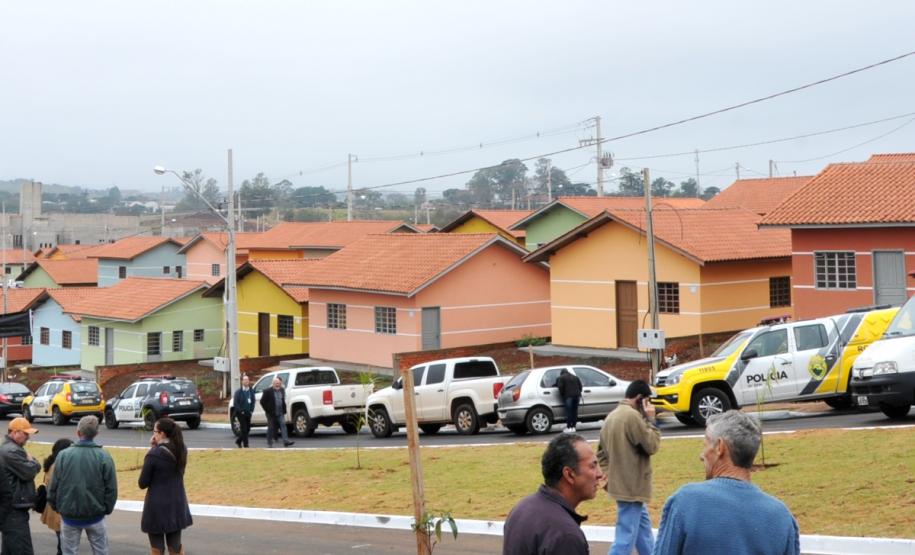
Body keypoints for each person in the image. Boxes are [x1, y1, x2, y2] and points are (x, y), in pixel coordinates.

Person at [654, 410, 800, 555]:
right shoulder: (782, 517)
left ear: (719, 447)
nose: (702, 455)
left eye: (705, 444)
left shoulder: (685, 502)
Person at [503, 433, 604, 555]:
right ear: (569, 474)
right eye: (592, 466)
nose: (600, 474)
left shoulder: (521, 508)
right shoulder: (565, 535)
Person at [596, 380, 660, 555]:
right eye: (647, 401)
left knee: (644, 534)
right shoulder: (632, 417)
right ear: (640, 398)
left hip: (623, 486)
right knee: (625, 538)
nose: (649, 405)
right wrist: (651, 419)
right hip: (632, 488)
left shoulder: (612, 416)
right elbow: (652, 445)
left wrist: (609, 478)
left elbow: (600, 454)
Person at [48, 415, 118, 555]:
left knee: (69, 552)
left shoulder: (63, 455)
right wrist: (106, 508)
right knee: (101, 551)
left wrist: (57, 506)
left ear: (78, 432)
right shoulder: (104, 456)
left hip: (69, 515)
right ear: (96, 433)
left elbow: (53, 486)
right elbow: (111, 488)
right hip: (96, 514)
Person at [139, 417, 193, 555]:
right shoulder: (182, 449)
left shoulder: (154, 455)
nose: (153, 435)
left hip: (157, 506)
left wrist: (151, 450)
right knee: (175, 546)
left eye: (155, 431)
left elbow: (142, 483)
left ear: (162, 434)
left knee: (157, 548)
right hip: (177, 503)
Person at [0, 416, 42, 554]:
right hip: (14, 510)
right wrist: (34, 462)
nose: (28, 437)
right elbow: (29, 472)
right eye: (25, 433)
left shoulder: (12, 449)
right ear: (14, 432)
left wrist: (31, 461)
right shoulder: (11, 451)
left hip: (12, 508)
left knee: (10, 549)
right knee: (22, 550)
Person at [41, 438, 74, 555]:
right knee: (64, 543)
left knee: (62, 538)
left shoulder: (52, 463)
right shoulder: (58, 465)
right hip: (59, 507)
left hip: (53, 506)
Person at [259, 376, 294, 447]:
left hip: (280, 412)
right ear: (273, 383)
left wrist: (284, 409)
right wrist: (267, 410)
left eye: (278, 383)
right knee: (271, 427)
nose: (277, 384)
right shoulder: (267, 391)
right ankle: (269, 442)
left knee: (283, 425)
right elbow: (262, 402)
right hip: (271, 413)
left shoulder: (281, 390)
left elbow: (282, 400)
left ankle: (286, 441)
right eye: (276, 383)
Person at [557, 369, 583, 433]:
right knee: (575, 411)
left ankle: (569, 427)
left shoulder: (561, 377)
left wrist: (563, 395)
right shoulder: (575, 377)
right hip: (577, 396)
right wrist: (578, 393)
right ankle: (574, 426)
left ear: (561, 373)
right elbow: (580, 387)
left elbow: (560, 387)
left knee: (569, 412)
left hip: (568, 396)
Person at [233, 374, 256, 448]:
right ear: (242, 381)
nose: (247, 381)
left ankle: (238, 441)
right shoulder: (238, 392)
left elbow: (253, 401)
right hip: (241, 414)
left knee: (248, 429)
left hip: (248, 413)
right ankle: (246, 445)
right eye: (245, 380)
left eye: (247, 380)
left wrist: (251, 410)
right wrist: (241, 411)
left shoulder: (251, 391)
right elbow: (235, 403)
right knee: (244, 429)